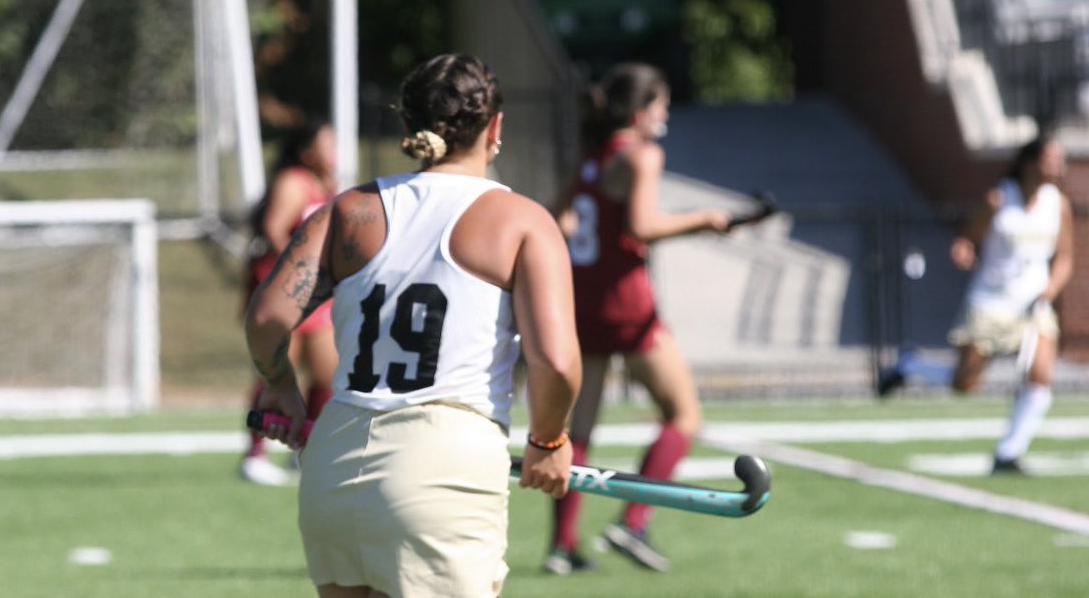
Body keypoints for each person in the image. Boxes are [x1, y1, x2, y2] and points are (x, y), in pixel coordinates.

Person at [245, 53, 582, 597]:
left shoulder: (348, 210)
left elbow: (265, 319)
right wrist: (549, 439)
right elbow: (557, 363)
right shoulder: (521, 220)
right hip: (443, 465)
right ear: (494, 127)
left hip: (336, 462)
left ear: (410, 123)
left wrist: (282, 387)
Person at [545, 62, 739, 575]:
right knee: (684, 415)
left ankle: (562, 546)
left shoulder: (589, 158)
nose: (666, 114)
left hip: (582, 302)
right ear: (639, 112)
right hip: (628, 305)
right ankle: (634, 521)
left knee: (577, 427)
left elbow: (558, 219)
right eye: (661, 105)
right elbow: (642, 225)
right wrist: (704, 221)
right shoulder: (642, 155)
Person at [877, 135, 1074, 475]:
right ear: (1030, 163)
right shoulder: (999, 200)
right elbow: (968, 239)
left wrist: (1050, 290)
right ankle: (910, 365)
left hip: (1034, 306)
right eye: (1051, 159)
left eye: (1061, 160)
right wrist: (964, 249)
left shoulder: (1059, 205)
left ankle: (1008, 453)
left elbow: (1065, 258)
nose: (1059, 166)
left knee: (1040, 377)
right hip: (992, 302)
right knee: (964, 384)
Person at [239, 119, 340, 487]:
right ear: (306, 150)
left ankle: (306, 448)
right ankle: (255, 454)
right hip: (287, 289)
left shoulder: (328, 186)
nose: (335, 153)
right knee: (280, 368)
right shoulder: (293, 182)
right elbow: (275, 230)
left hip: (317, 293)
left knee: (328, 371)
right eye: (328, 144)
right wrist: (303, 273)